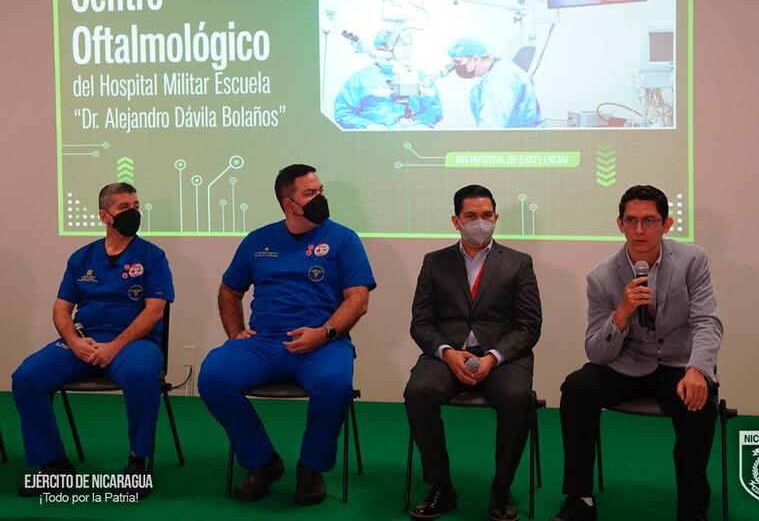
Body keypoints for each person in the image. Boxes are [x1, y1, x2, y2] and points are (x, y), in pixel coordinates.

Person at [198, 164, 376, 505]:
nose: (320, 197)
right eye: (310, 193)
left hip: (323, 343)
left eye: (320, 190)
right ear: (288, 203)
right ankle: (262, 462)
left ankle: (311, 468)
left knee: (334, 384)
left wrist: (324, 332)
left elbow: (358, 299)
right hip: (264, 342)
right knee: (213, 376)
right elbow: (229, 290)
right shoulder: (258, 240)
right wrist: (235, 332)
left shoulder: (344, 239)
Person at [552, 185, 723, 521]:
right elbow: (596, 352)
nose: (639, 229)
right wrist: (621, 313)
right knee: (576, 387)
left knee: (698, 403)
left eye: (649, 220)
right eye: (631, 221)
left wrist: (698, 370)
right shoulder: (601, 277)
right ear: (620, 224)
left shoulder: (692, 260)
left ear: (666, 224)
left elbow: (707, 321)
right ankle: (580, 498)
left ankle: (692, 509)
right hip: (626, 365)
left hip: (678, 365)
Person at [12, 182, 174, 498]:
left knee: (142, 376)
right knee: (26, 377)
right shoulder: (82, 257)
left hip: (134, 343)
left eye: (136, 206)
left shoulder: (152, 256)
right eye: (124, 207)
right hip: (84, 341)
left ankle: (136, 464)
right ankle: (54, 465)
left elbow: (155, 311)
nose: (133, 212)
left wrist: (115, 346)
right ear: (104, 216)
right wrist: (74, 342)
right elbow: (61, 309)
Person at [404, 185, 542, 521]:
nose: (481, 222)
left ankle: (502, 487)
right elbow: (420, 323)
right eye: (471, 216)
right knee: (418, 391)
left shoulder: (518, 263)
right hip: (448, 354)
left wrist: (492, 357)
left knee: (517, 398)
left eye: (487, 215)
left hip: (502, 357)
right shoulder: (434, 262)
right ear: (456, 221)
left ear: (496, 217)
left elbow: (529, 326)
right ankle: (441, 485)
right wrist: (448, 353)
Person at [334, 30, 443, 129]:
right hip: (374, 139)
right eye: (381, 50)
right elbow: (343, 113)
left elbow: (434, 110)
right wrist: (368, 126)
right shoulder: (360, 77)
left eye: (406, 46)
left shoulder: (420, 76)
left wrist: (416, 123)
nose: (386, 55)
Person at [448, 37, 541, 129]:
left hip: (515, 138)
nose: (455, 67)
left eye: (457, 62)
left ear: (475, 59)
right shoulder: (497, 72)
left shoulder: (501, 77)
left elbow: (491, 124)